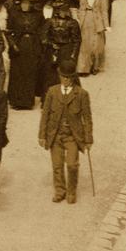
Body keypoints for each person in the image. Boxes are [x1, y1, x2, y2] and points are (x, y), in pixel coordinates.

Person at [39, 61, 93, 204]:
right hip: (55, 135)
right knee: (57, 165)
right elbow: (45, 115)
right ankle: (60, 191)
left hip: (73, 137)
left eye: (69, 77)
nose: (66, 80)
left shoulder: (81, 94)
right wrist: (42, 135)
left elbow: (87, 118)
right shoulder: (52, 92)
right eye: (63, 77)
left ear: (74, 78)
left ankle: (71, 191)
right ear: (59, 76)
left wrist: (88, 139)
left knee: (72, 165)